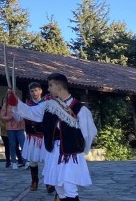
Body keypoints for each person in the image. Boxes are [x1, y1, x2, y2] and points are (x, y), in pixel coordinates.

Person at [8, 73, 97, 201]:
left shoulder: (80, 109)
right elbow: (30, 112)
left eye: (50, 85)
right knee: (59, 187)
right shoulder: (48, 104)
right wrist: (15, 101)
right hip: (53, 151)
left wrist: (79, 150)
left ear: (59, 86)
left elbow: (88, 133)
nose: (48, 89)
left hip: (70, 154)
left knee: (69, 187)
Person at [23, 82, 52, 193]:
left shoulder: (47, 103)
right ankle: (34, 182)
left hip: (44, 136)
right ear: (29, 93)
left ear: (40, 91)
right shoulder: (27, 105)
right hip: (32, 137)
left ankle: (49, 183)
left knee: (47, 161)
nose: (34, 93)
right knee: (33, 161)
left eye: (36, 90)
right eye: (32, 91)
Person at [0, 98, 26, 168]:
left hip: (20, 127)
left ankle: (26, 161)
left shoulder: (20, 104)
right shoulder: (6, 105)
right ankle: (14, 162)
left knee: (23, 144)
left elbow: (26, 113)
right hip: (10, 128)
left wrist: (21, 117)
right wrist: (10, 117)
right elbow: (2, 116)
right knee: (12, 144)